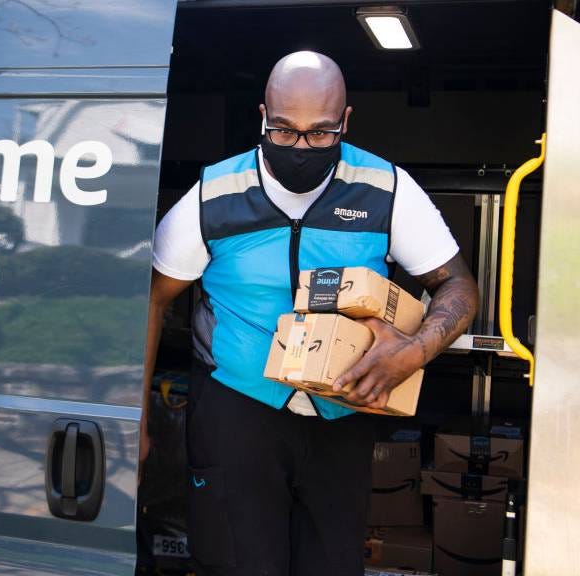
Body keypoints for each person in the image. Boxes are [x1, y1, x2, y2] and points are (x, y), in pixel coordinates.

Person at [141, 50, 478, 575]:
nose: (300, 147)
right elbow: (153, 299)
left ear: (345, 121)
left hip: (342, 414)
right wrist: (136, 419)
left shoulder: (385, 189)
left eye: (320, 133)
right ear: (262, 117)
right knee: (236, 564)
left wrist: (413, 353)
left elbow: (458, 285)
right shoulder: (214, 194)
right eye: (283, 130)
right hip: (237, 411)